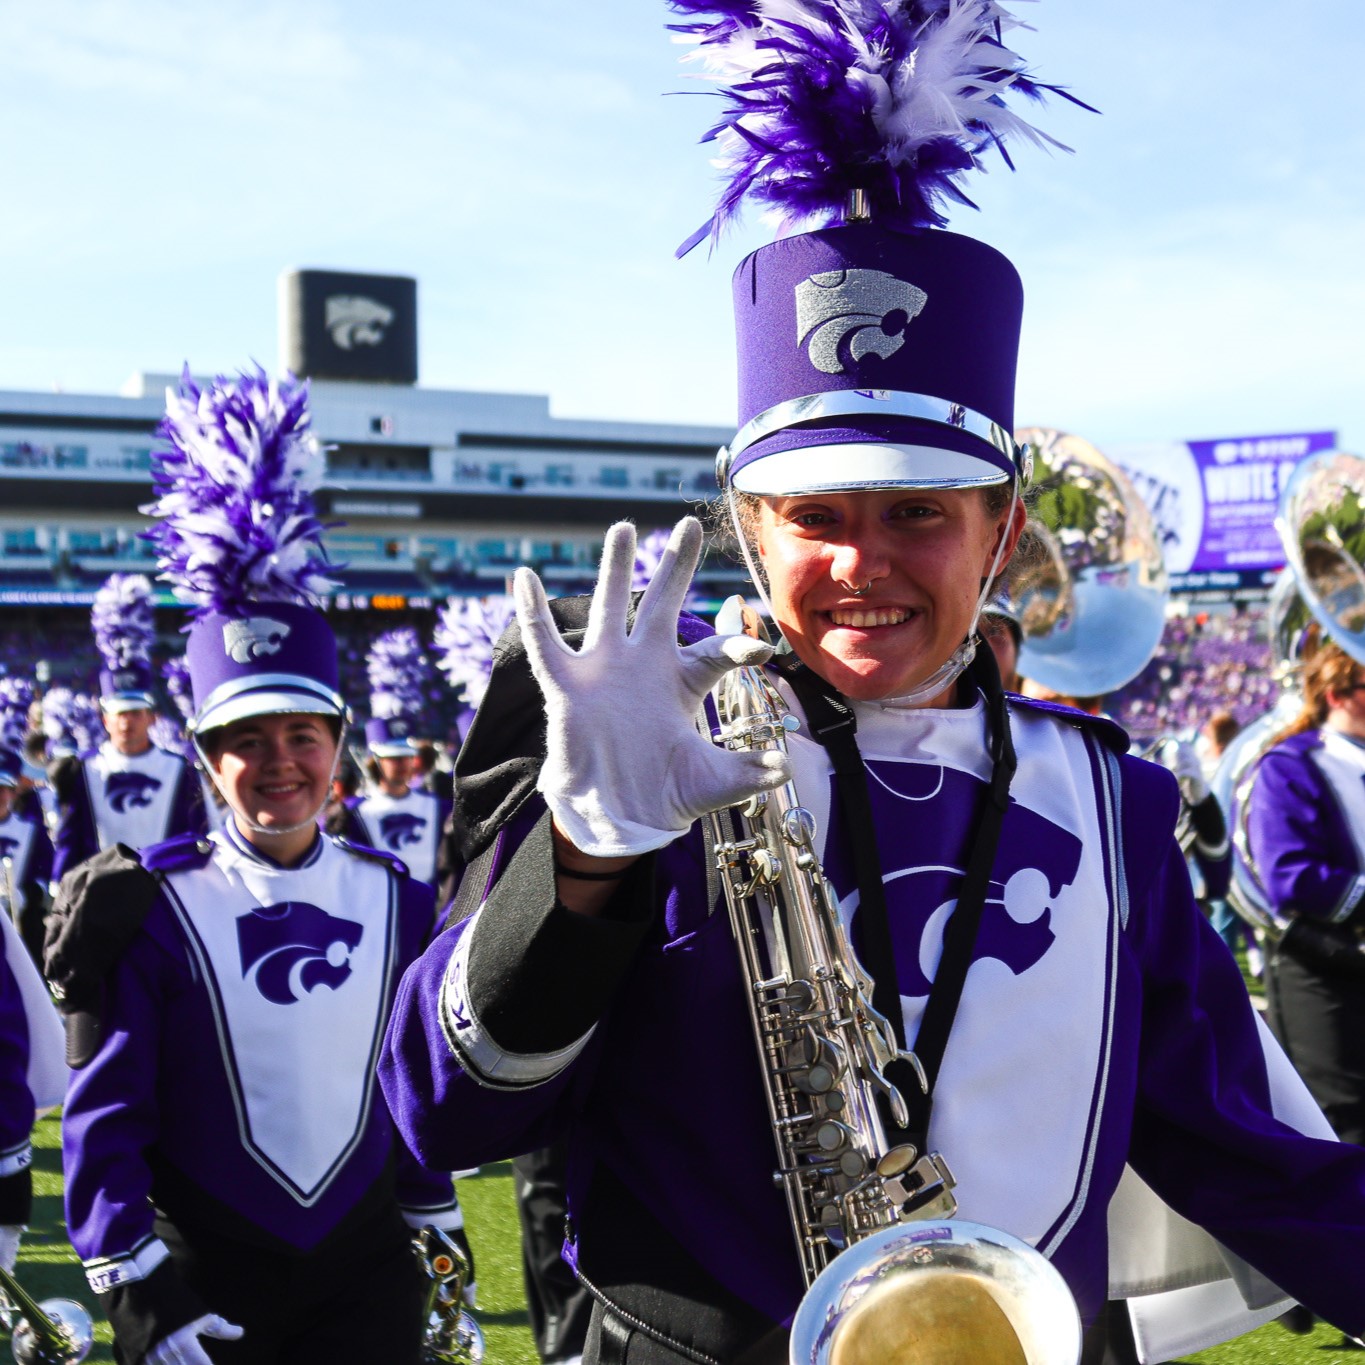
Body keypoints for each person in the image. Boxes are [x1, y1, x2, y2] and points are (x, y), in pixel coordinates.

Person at [379, 6, 1365, 1361]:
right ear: (746, 525)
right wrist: (585, 858)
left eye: (919, 516)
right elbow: (442, 1114)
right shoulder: (641, 744)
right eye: (815, 515)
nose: (861, 565)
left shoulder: (1118, 806)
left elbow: (1243, 1154)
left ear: (1002, 532)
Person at [49, 369, 464, 1365]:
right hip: (206, 1265)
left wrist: (433, 1209)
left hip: (365, 1264)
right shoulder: (147, 906)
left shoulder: (400, 899)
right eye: (247, 738)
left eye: (303, 734)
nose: (279, 761)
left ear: (340, 747)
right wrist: (135, 1282)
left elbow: (415, 1082)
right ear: (204, 758)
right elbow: (105, 1115)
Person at [1243, 632, 1365, 1146]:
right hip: (1323, 969)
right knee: (1345, 1125)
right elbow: (1289, 879)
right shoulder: (1290, 766)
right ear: (1339, 693)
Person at [50, 574, 205, 882]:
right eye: (118, 714)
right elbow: (70, 841)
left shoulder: (179, 769)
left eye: (135, 713)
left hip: (166, 894)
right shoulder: (82, 769)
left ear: (152, 717)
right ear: (104, 718)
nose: (126, 722)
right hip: (97, 898)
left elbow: (194, 835)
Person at [327, 628, 449, 892]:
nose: (402, 764)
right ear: (376, 760)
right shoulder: (353, 811)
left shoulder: (440, 808)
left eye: (406, 756)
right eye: (393, 758)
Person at [0, 747, 54, 969]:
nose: (2, 796)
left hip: (20, 919)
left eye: (6, 789)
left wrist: (27, 895)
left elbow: (45, 871)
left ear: (14, 793)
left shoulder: (30, 829)